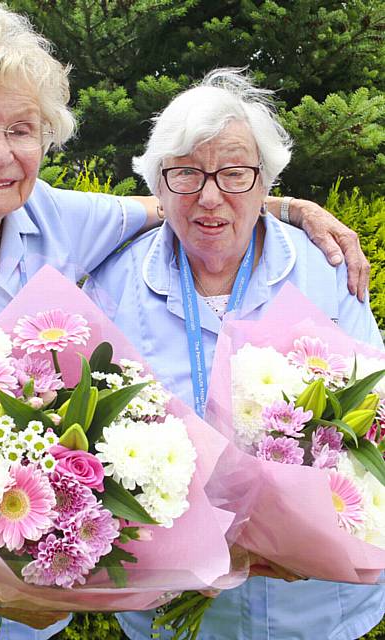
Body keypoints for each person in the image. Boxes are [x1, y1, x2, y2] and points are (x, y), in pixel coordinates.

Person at [0, 3, 371, 638]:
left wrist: (289, 207)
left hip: (28, 582)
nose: (0, 154)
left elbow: (175, 200)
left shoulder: (48, 215)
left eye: (22, 129)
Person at [84, 68, 384, 640]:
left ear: (264, 181)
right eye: (186, 173)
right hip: (171, 606)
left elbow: (374, 416)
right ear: (159, 182)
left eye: (235, 173)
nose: (211, 195)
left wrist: (318, 529)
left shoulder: (323, 272)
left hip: (314, 605)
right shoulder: (113, 280)